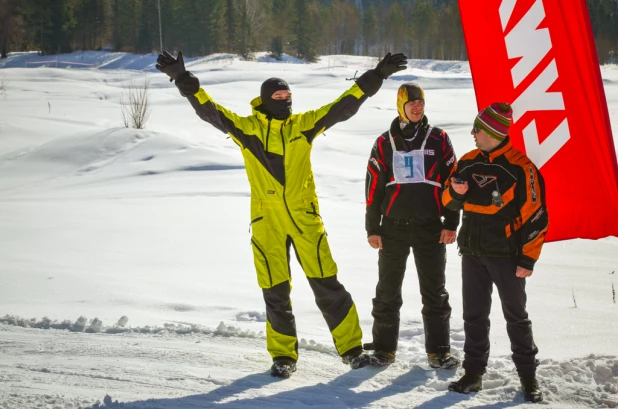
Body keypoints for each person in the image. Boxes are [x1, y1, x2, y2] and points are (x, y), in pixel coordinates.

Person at [155, 50, 407, 378]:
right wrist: (182, 79)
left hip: (305, 219)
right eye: (279, 95)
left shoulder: (302, 126)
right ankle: (283, 356)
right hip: (267, 222)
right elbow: (210, 112)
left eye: (289, 95)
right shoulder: (248, 130)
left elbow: (343, 106)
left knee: (327, 284)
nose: (286, 100)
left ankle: (352, 350)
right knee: (275, 291)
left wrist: (378, 75)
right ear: (265, 100)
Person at [443, 102, 548, 403]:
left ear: (491, 132)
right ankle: (473, 374)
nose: (473, 133)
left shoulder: (520, 167)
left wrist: (528, 258)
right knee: (474, 317)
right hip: (472, 254)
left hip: (507, 258)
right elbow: (446, 202)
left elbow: (537, 216)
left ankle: (529, 379)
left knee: (516, 318)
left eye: (477, 129)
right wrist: (455, 193)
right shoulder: (467, 161)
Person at [364, 82, 460, 369]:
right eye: (411, 103)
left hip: (431, 227)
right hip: (392, 227)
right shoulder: (384, 142)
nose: (417, 107)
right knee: (387, 291)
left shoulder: (439, 139)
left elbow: (453, 184)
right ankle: (384, 350)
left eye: (420, 102)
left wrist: (451, 222)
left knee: (434, 291)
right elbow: (373, 188)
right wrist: (372, 227)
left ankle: (439, 352)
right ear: (400, 106)